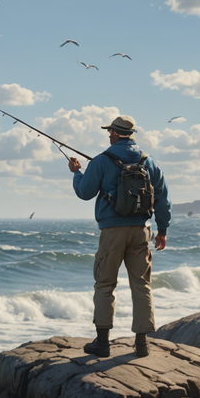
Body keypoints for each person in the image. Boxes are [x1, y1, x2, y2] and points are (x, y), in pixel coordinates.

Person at [67, 115, 170, 358]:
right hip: (141, 231)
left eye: (109, 131)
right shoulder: (149, 161)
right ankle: (142, 344)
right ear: (132, 134)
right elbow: (163, 198)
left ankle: (102, 343)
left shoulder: (102, 160)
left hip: (112, 232)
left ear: (114, 133)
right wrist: (162, 230)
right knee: (141, 285)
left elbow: (85, 192)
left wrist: (77, 172)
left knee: (105, 284)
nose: (109, 134)